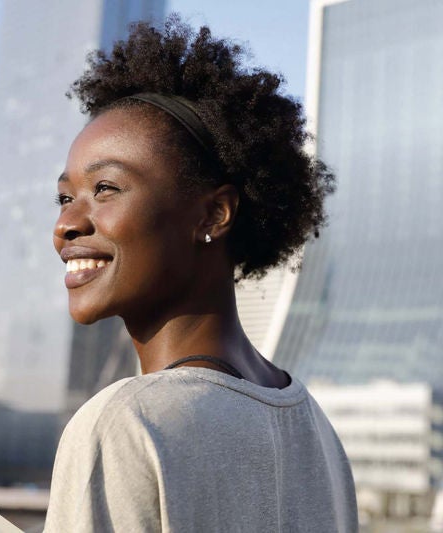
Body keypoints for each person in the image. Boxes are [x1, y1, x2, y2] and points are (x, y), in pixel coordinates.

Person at [43, 16, 357, 532]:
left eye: (106, 189)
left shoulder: (127, 421)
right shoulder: (315, 429)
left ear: (214, 215)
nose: (66, 224)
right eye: (64, 197)